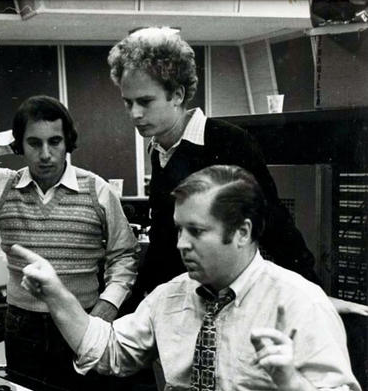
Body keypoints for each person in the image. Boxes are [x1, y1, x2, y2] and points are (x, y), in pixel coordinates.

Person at [10, 165, 363, 391]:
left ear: (242, 232)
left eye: (196, 231)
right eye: (180, 229)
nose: (181, 243)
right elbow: (106, 352)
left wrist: (289, 380)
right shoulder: (171, 295)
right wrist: (57, 295)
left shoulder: (301, 302)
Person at [107, 26, 368, 318]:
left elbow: (274, 224)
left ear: (177, 94)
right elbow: (164, 243)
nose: (134, 114)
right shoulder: (158, 150)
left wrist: (314, 297)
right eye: (128, 103)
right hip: (182, 304)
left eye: (145, 101)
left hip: (230, 304)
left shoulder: (228, 141)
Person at [0, 95, 139, 391]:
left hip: (83, 317)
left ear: (67, 142)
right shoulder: (2, 186)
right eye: (34, 143)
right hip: (23, 326)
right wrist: (13, 137)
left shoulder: (97, 189)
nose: (45, 154)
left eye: (55, 141)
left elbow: (124, 255)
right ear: (21, 145)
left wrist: (107, 306)